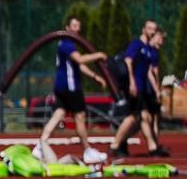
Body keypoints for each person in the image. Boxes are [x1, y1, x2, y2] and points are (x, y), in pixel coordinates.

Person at [35, 15, 107, 161]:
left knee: (58, 114)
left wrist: (95, 76)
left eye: (78, 27)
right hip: (70, 87)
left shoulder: (65, 44)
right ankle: (87, 151)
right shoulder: (67, 44)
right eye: (74, 26)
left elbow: (78, 65)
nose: (77, 29)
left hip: (60, 86)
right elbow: (80, 59)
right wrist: (98, 55)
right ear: (67, 28)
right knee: (80, 117)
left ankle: (40, 146)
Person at [110, 19, 167, 159]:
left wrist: (156, 88)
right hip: (134, 86)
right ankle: (114, 146)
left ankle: (152, 147)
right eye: (149, 28)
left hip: (141, 87)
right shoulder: (136, 44)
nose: (152, 31)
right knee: (133, 116)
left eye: (154, 29)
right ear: (143, 29)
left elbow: (148, 71)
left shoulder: (148, 48)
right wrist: (132, 82)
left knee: (143, 118)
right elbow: (128, 61)